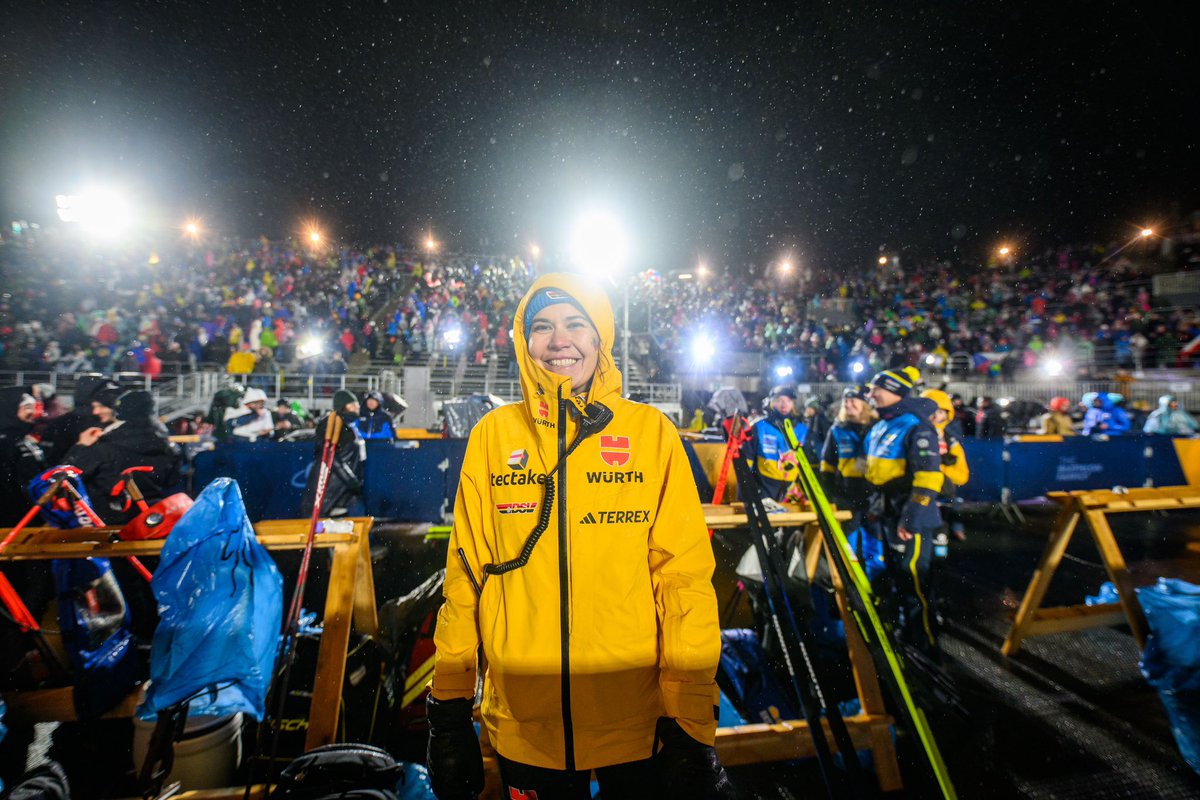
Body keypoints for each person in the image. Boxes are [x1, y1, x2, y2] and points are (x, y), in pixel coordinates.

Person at [428, 274, 732, 800]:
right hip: (525, 725)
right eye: (542, 327)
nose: (559, 340)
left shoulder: (651, 434)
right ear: (524, 342)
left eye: (575, 324)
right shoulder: (492, 437)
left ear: (599, 338)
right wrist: (448, 708)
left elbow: (682, 580)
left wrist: (691, 721)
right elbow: (465, 579)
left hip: (635, 721)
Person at [865, 367, 944, 658]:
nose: (872, 394)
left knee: (914, 584)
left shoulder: (916, 426)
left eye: (877, 389)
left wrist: (910, 518)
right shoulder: (882, 424)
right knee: (898, 579)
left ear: (895, 391)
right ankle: (906, 637)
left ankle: (926, 647)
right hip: (888, 515)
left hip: (909, 520)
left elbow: (928, 478)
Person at [61, 390, 182, 526]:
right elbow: (172, 481)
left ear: (119, 413)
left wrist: (80, 446)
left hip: (110, 523)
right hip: (153, 520)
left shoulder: (104, 446)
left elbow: (64, 477)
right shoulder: (167, 446)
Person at [300, 389, 366, 517]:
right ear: (344, 406)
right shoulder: (332, 423)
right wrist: (350, 479)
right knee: (324, 521)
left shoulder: (351, 425)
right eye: (353, 404)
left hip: (344, 489)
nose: (357, 406)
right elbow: (329, 455)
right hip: (332, 485)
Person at [742, 384, 806, 503]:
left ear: (793, 404)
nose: (784, 404)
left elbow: (808, 464)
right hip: (764, 488)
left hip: (792, 491)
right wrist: (746, 491)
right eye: (779, 400)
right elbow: (746, 461)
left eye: (788, 400)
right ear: (771, 402)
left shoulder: (802, 429)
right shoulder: (759, 427)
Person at [0, 388, 45, 526]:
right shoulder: (5, 442)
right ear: (10, 408)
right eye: (27, 407)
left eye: (34, 407)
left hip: (28, 516)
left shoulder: (23, 439)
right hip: (13, 519)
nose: (34, 412)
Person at [801, 396, 830, 467]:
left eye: (809, 408)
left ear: (814, 409)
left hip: (819, 444)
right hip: (812, 444)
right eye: (807, 408)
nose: (807, 410)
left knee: (821, 460)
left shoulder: (821, 418)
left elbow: (825, 432)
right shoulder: (810, 418)